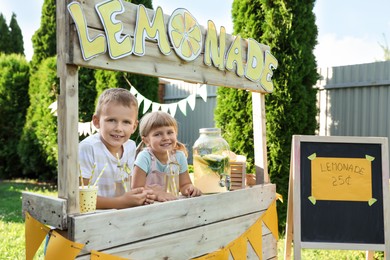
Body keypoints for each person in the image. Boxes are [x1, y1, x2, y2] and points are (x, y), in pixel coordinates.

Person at [79, 88, 155, 209]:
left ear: (134, 126)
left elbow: (128, 184)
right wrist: (122, 202)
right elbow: (80, 198)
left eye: (126, 122)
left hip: (121, 215)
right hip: (93, 218)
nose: (118, 128)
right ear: (97, 121)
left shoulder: (130, 146)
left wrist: (142, 195)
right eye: (111, 120)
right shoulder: (88, 148)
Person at [132, 111, 202, 202]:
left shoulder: (179, 156)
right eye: (157, 134)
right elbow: (136, 188)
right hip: (149, 207)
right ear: (146, 140)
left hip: (171, 205)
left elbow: (185, 185)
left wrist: (190, 189)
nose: (165, 138)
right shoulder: (145, 157)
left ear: (175, 134)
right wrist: (157, 194)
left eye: (170, 132)